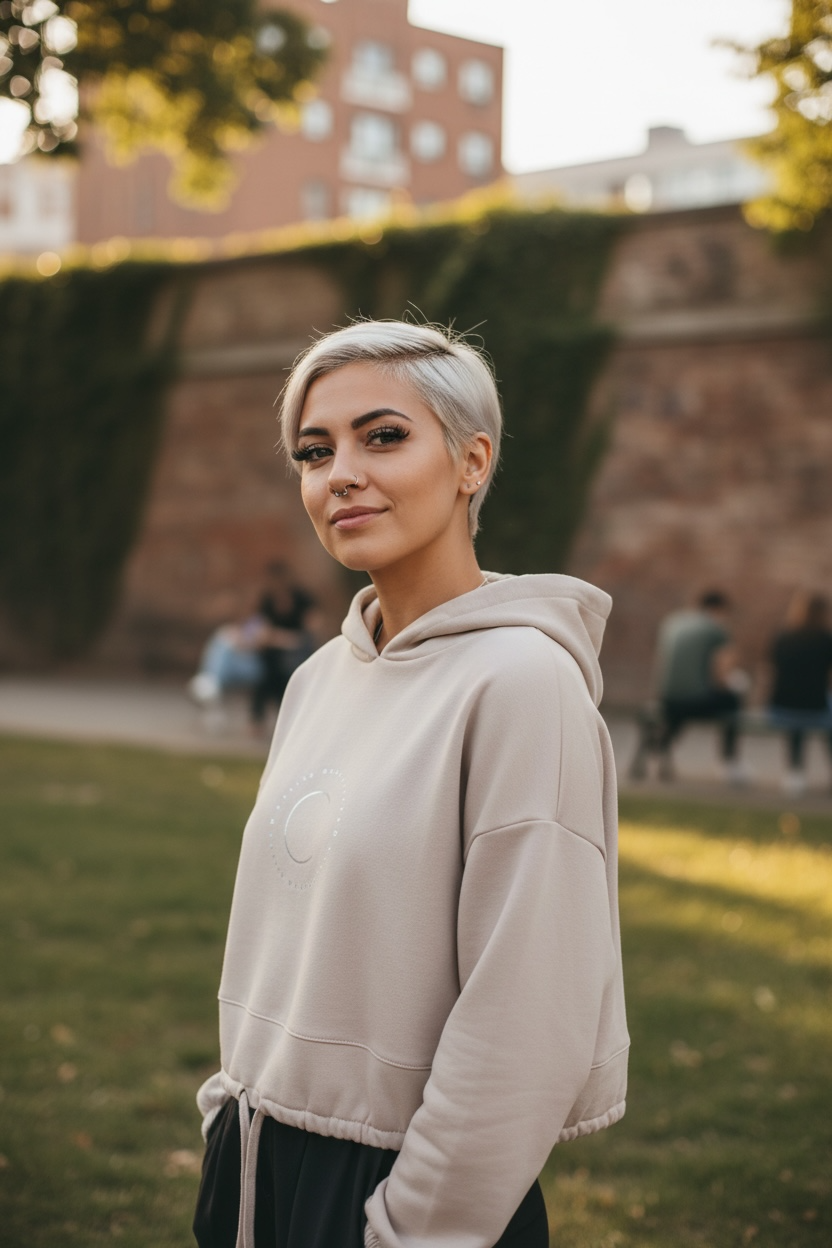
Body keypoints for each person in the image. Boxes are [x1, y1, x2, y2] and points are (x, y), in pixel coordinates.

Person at [193, 321, 629, 1248]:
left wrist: (415, 1227)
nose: (340, 471)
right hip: (255, 1169)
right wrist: (230, 1112)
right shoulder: (317, 678)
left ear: (472, 461)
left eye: (382, 436)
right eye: (315, 452)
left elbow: (530, 1013)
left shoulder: (523, 684)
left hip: (404, 1195)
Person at [651, 590, 746, 782]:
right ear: (717, 609)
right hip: (695, 700)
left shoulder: (673, 622)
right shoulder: (715, 629)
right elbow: (721, 674)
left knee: (682, 706)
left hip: (666, 697)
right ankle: (729, 762)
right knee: (733, 700)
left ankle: (659, 747)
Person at [769, 591, 832, 794]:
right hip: (814, 707)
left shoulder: (783, 637)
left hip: (781, 705)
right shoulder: (826, 640)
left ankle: (795, 771)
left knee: (796, 715)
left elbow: (771, 671)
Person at [249, 562, 319, 730]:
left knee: (281, 673)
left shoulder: (302, 599)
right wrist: (283, 639)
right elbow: (262, 633)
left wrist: (283, 638)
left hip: (297, 651)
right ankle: (267, 719)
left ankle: (276, 718)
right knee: (267, 672)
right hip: (274, 651)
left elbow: (312, 628)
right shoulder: (267, 601)